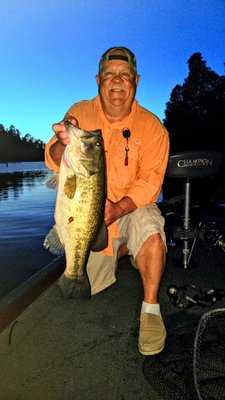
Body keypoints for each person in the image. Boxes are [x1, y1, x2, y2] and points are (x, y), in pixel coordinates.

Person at [45, 46, 170, 356]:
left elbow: (151, 182)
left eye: (125, 75)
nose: (117, 81)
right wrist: (63, 145)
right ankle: (121, 248)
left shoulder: (153, 127)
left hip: (129, 208)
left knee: (153, 237)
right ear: (98, 79)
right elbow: (53, 159)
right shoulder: (80, 112)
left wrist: (118, 209)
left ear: (136, 81)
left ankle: (151, 310)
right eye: (110, 75)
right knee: (91, 283)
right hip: (89, 219)